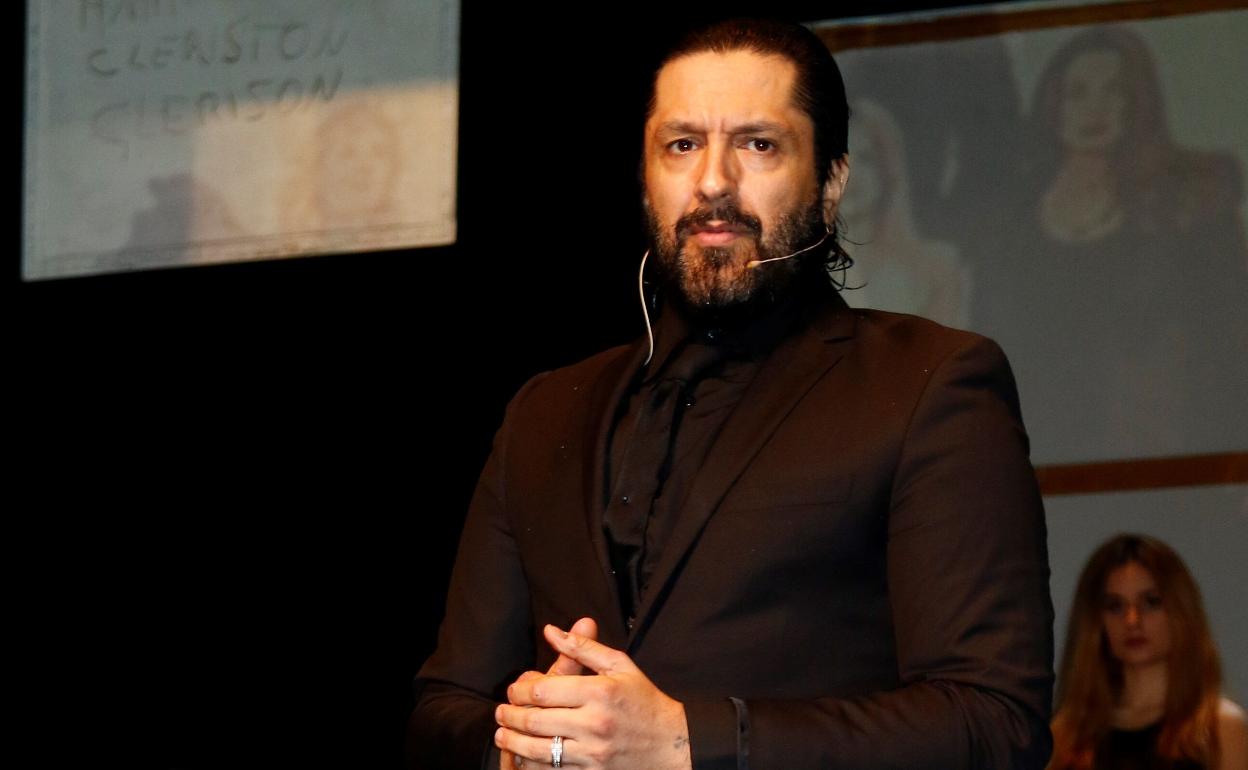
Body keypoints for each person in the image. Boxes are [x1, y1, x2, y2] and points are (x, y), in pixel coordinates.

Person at [409, 18, 1054, 770]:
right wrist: (519, 748)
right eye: (682, 144)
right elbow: (443, 708)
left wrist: (686, 740)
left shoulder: (929, 385)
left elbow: (994, 723)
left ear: (831, 182)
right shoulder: (544, 411)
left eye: (758, 144)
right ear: (645, 174)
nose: (713, 181)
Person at [1049, 534, 1248, 770]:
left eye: (1151, 602)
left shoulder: (1221, 729)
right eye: (1115, 606)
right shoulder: (1065, 736)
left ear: (1180, 610)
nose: (1132, 621)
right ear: (1096, 621)